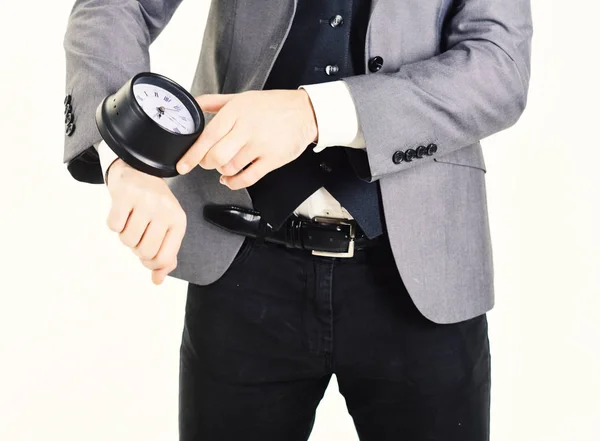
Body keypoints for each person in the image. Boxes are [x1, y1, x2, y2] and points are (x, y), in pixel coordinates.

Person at [62, 0, 532, 439]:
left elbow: (498, 67)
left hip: (425, 268)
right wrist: (126, 155)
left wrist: (313, 112)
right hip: (239, 262)